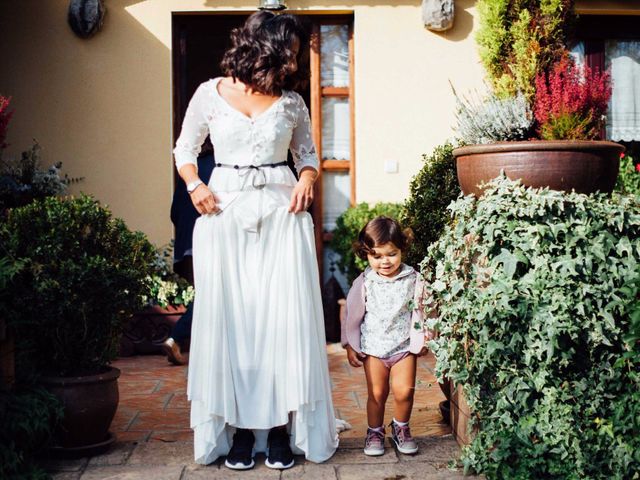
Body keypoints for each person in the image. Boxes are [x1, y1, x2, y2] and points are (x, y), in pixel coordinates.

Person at [172, 10, 338, 470]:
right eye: (288, 50)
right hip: (224, 216)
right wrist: (195, 186)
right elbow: (185, 150)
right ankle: (242, 430)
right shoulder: (210, 93)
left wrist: (307, 177)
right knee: (235, 322)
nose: (293, 59)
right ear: (263, 47)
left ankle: (281, 430)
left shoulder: (292, 102)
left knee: (280, 322)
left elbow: (307, 153)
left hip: (282, 217)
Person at [341, 216, 429, 457]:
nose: (385, 261)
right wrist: (349, 344)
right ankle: (375, 432)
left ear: (402, 248)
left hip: (403, 348)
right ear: (366, 254)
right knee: (377, 394)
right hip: (373, 348)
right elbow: (350, 313)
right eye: (376, 256)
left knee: (405, 391)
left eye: (391, 254)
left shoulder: (413, 278)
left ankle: (400, 427)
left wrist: (425, 336)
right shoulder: (365, 281)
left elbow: (423, 308)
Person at [162, 151, 215, 366]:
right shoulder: (222, 166)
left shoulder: (190, 170)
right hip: (210, 240)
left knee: (205, 293)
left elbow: (174, 211)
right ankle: (176, 337)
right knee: (209, 295)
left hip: (186, 245)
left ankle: (203, 346)